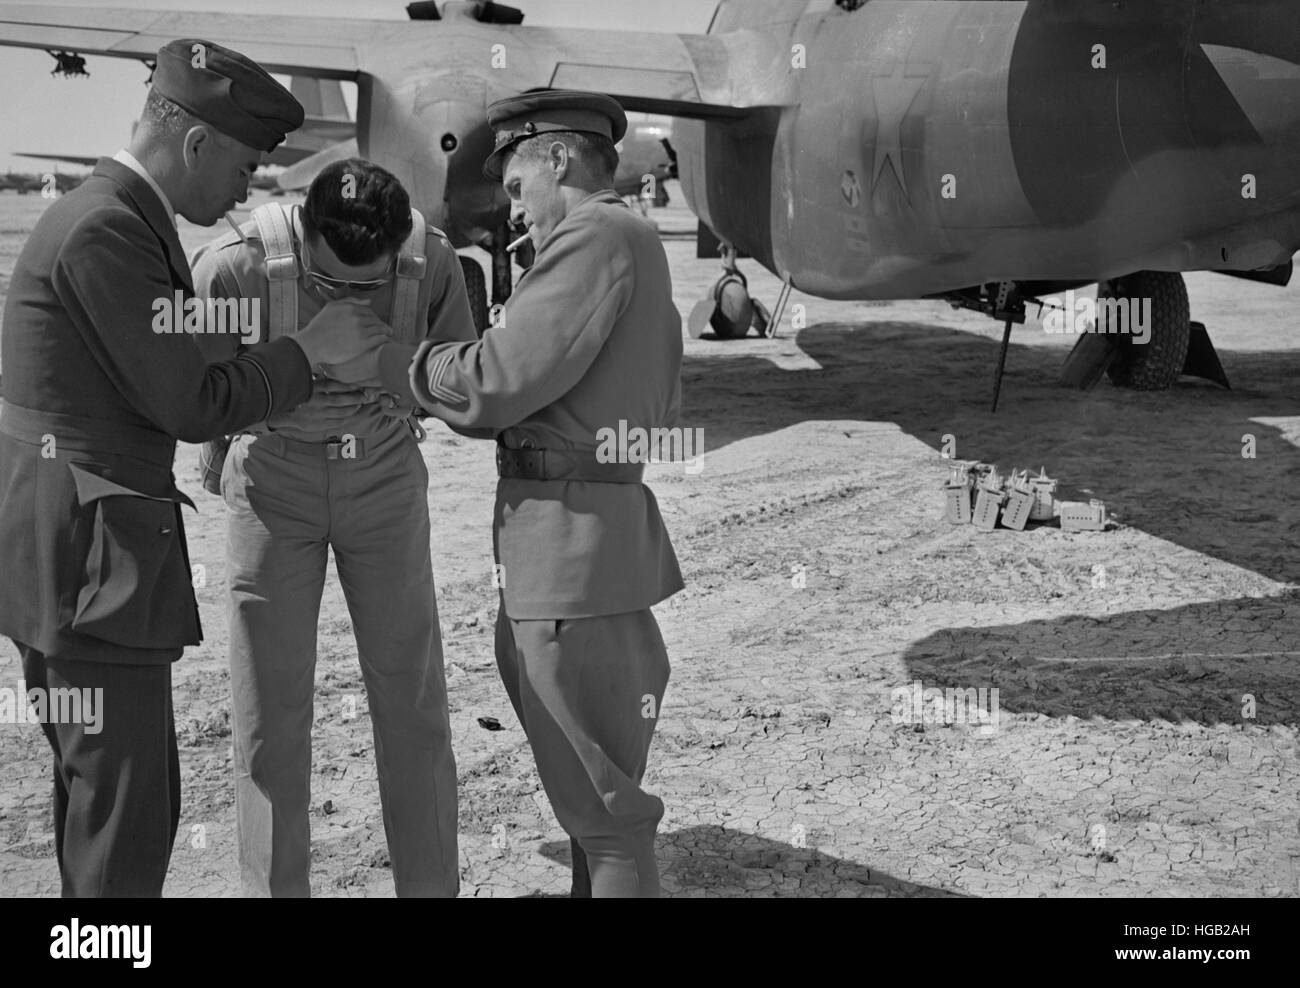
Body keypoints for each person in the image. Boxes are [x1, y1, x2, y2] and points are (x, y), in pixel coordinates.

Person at [0, 38, 389, 897]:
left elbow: (158, 347)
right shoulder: (108, 227)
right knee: (124, 822)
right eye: (247, 164)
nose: (249, 186)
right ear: (196, 142)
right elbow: (191, 405)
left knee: (104, 806)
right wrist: (307, 352)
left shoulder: (118, 216)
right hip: (91, 570)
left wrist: (256, 337)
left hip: (69, 560)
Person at [341, 90, 684, 897]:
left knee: (604, 820)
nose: (510, 196)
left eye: (516, 173)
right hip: (591, 545)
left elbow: (495, 383)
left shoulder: (593, 236)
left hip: (569, 556)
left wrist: (396, 361)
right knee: (592, 812)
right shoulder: (632, 239)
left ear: (558, 158)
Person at [189, 158, 474, 897]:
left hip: (382, 476)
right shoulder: (235, 267)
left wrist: (390, 363)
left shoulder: (431, 261)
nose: (351, 297)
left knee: (412, 703)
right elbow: (198, 394)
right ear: (304, 231)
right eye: (331, 282)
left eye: (366, 285)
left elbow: (460, 378)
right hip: (272, 481)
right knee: (267, 718)